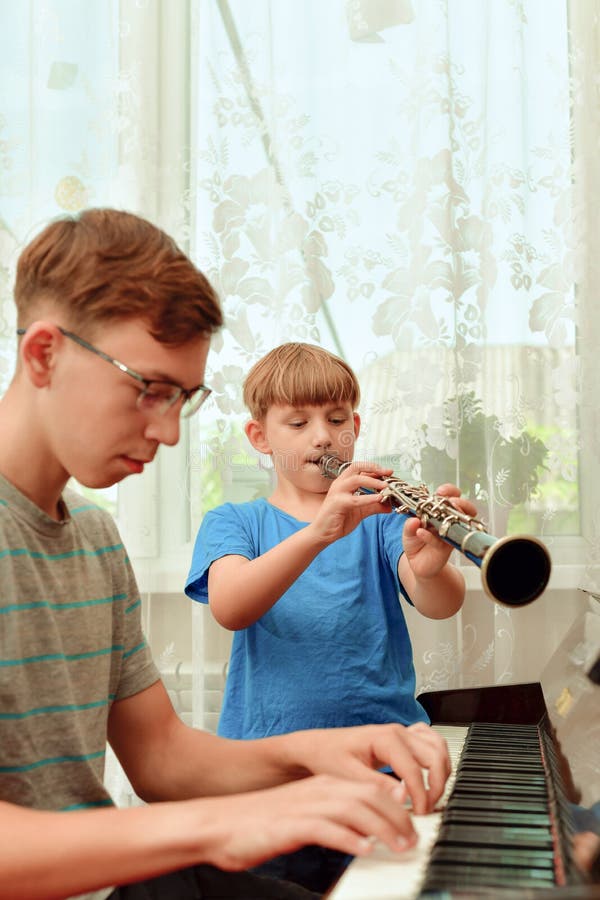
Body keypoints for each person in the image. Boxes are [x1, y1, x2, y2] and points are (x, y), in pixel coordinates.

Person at [0, 208, 452, 900]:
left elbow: (160, 759)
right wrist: (220, 825)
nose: (169, 432)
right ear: (43, 354)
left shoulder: (93, 538)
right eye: (148, 388)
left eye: (183, 398)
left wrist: (320, 753)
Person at [185, 342, 474, 891]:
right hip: (270, 781)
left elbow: (442, 604)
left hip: (385, 775)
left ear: (355, 427)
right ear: (260, 438)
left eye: (336, 420)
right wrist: (319, 533)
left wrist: (432, 566)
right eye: (298, 422)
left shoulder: (381, 519)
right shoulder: (234, 522)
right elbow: (231, 606)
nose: (322, 436)